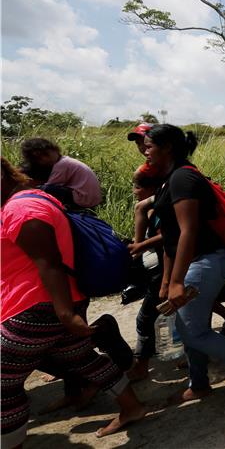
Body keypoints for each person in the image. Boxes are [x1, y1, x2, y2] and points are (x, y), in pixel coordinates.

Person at [1, 158, 145, 444]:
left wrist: (66, 314)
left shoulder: (21, 208)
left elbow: (49, 263)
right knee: (84, 360)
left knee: (3, 382)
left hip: (36, 306)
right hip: (59, 301)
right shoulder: (32, 198)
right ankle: (133, 407)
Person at [145, 124, 225, 403]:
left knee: (193, 331)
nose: (146, 151)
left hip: (205, 261)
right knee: (191, 328)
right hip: (192, 263)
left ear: (168, 148)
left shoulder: (182, 180)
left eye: (150, 145)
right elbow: (170, 237)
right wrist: (167, 280)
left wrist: (175, 281)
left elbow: (189, 231)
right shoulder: (169, 179)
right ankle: (198, 384)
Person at [126, 166, 166, 382]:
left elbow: (169, 236)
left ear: (152, 187)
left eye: (138, 187)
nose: (134, 191)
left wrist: (139, 246)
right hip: (158, 270)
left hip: (165, 271)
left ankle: (141, 366)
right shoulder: (150, 208)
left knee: (145, 319)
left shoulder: (160, 208)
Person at [20, 138, 102, 209]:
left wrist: (30, 188)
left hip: (84, 199)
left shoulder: (62, 165)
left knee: (47, 190)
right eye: (39, 158)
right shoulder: (64, 161)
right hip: (90, 198)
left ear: (55, 150)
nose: (45, 159)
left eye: (46, 154)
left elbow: (47, 188)